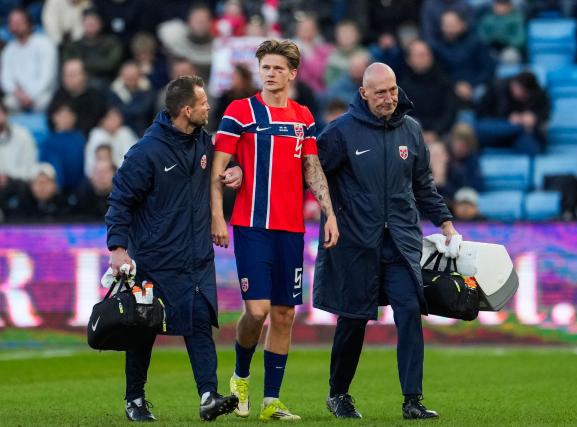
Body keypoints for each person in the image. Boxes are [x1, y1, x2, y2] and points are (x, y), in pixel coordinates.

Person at [314, 62, 458, 420]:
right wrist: (330, 216)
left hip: (400, 243)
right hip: (355, 243)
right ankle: (339, 394)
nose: (389, 98)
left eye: (392, 90)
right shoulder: (340, 133)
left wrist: (446, 224)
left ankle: (413, 399)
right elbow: (313, 176)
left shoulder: (411, 130)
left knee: (409, 311)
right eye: (380, 92)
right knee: (354, 320)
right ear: (364, 93)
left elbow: (423, 185)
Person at [211, 39, 339, 421]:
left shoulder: (303, 117)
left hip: (291, 229)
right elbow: (218, 168)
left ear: (292, 73)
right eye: (265, 67)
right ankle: (240, 376)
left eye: (278, 68)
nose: (270, 73)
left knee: (284, 314)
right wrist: (217, 215)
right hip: (251, 225)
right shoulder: (240, 111)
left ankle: (271, 402)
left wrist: (330, 212)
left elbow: (312, 170)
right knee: (258, 310)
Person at [105, 75, 243, 422]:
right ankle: (134, 399)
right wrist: (118, 248)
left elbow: (222, 168)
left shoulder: (202, 142)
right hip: (154, 259)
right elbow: (120, 199)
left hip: (194, 257)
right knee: (143, 329)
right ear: (186, 110)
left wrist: (235, 172)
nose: (208, 107)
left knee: (198, 324)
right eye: (203, 103)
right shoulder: (145, 153)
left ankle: (208, 395)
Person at [1, 8, 58, 112]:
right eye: (12, 23)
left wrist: (30, 95)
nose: (15, 26)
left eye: (18, 22)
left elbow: (47, 78)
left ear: (28, 22)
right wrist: (18, 94)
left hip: (42, 94)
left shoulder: (45, 44)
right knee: (8, 103)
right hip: (17, 96)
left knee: (46, 101)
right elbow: (5, 78)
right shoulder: (9, 49)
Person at [47, 58, 107, 137]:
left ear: (85, 76)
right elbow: (50, 119)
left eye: (73, 75)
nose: (69, 79)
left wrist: (72, 124)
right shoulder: (59, 95)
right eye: (66, 75)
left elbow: (99, 121)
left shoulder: (95, 96)